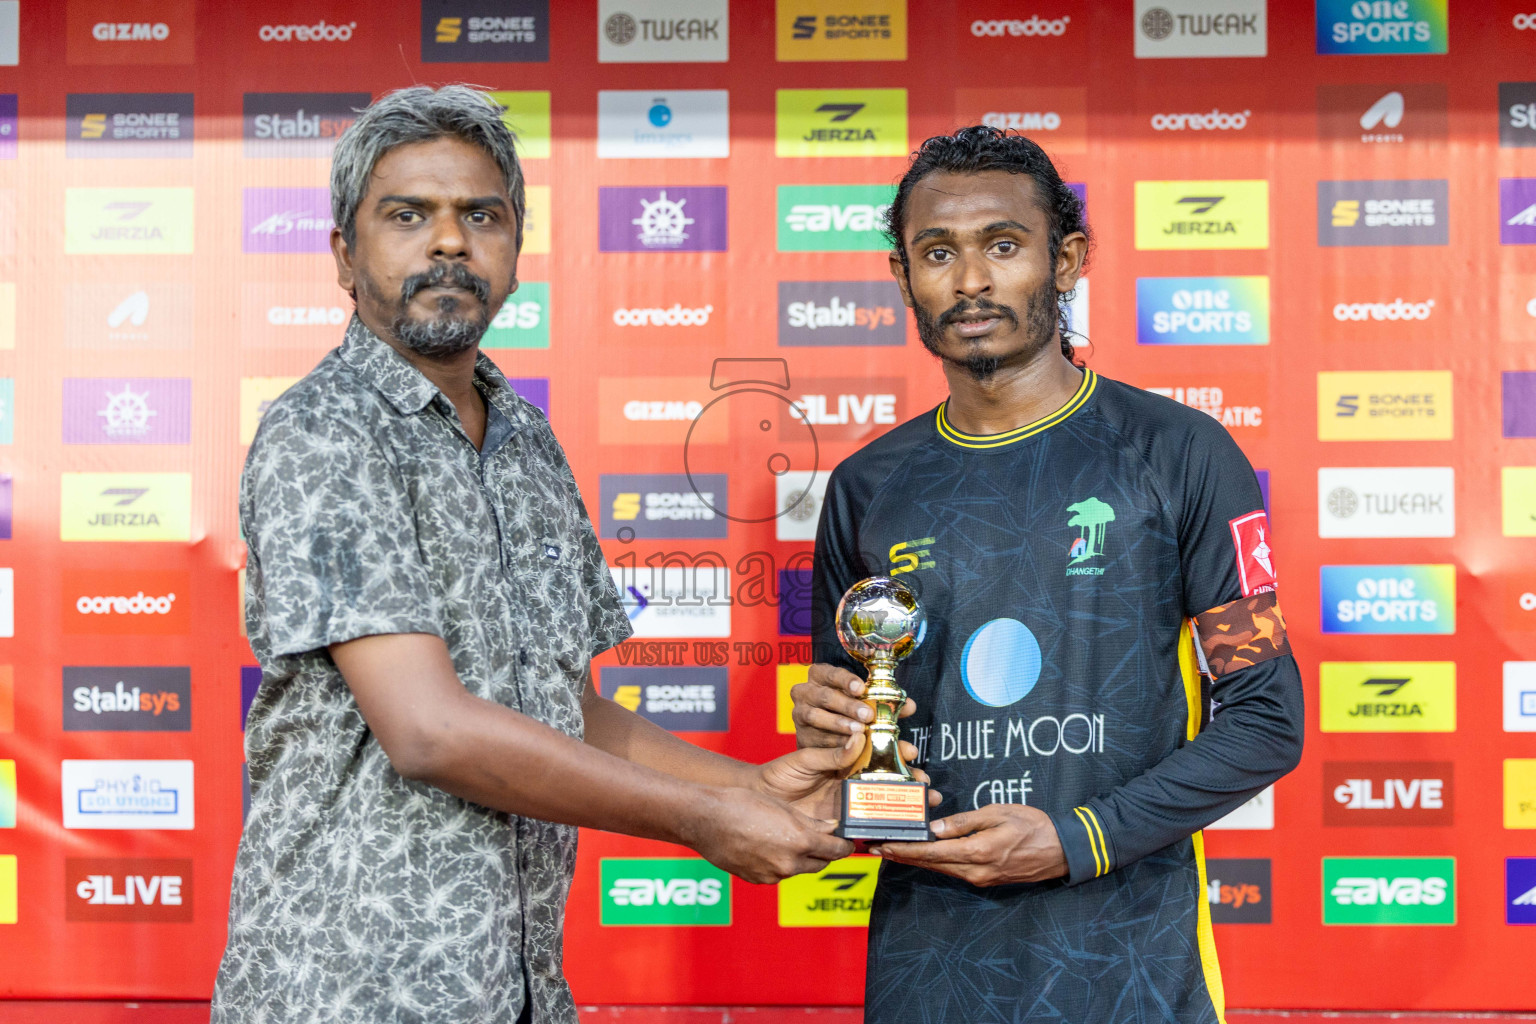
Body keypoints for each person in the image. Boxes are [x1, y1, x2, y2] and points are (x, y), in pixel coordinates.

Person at [213, 85, 858, 1024]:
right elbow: (428, 731)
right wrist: (703, 821)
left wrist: (748, 785)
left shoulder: (524, 436)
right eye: (408, 216)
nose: (448, 242)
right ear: (345, 259)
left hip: (516, 988)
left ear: (514, 254)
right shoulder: (323, 431)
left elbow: (560, 707)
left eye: (481, 216)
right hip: (348, 989)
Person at [791, 126, 1304, 1024]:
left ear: (1065, 261)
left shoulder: (1180, 453)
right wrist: (832, 740)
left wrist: (1077, 839)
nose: (971, 281)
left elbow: (1267, 720)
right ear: (903, 275)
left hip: (1129, 961)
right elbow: (849, 741)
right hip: (927, 968)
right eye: (937, 253)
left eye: (1003, 245)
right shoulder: (865, 487)